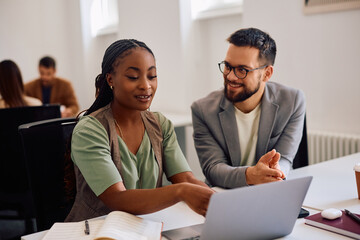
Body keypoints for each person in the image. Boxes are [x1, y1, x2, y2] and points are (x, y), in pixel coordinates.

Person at [65, 39, 214, 222]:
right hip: (99, 230)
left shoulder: (160, 125)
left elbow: (186, 179)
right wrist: (180, 192)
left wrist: (221, 201)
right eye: (133, 77)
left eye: (152, 76)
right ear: (110, 79)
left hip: (146, 227)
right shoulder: (90, 130)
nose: (146, 85)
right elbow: (116, 199)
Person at [191, 28, 305, 189]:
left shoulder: (292, 101)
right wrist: (250, 175)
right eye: (228, 66)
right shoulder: (202, 110)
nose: (230, 76)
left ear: (267, 74)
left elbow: (285, 158)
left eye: (242, 70)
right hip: (225, 195)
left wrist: (276, 172)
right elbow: (213, 169)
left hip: (270, 191)